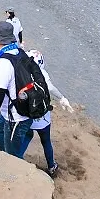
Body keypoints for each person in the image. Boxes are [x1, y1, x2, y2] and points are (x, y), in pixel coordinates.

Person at [0, 22, 32, 158]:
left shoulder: (4, 63)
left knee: (13, 156)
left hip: (16, 116)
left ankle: (10, 162)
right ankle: (4, 155)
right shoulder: (20, 52)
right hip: (23, 105)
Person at [18, 48, 73, 177]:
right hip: (42, 116)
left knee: (27, 135)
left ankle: (18, 158)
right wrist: (62, 98)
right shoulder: (42, 74)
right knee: (46, 141)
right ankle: (51, 166)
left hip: (27, 114)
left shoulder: (21, 74)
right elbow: (51, 88)